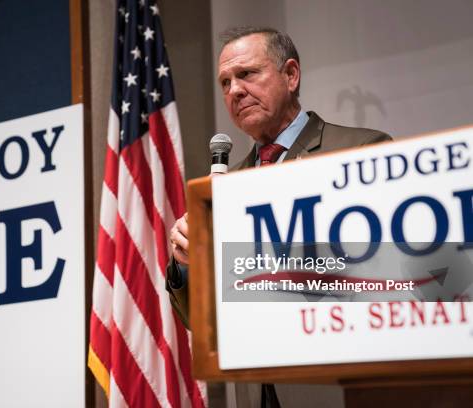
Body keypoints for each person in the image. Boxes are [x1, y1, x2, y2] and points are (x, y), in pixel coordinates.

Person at [166, 26, 391, 408]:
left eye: (246, 74)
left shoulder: (360, 150)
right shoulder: (224, 184)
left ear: (290, 75)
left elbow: (386, 276)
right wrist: (186, 265)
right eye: (224, 82)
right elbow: (199, 321)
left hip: (331, 385)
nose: (234, 91)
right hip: (253, 389)